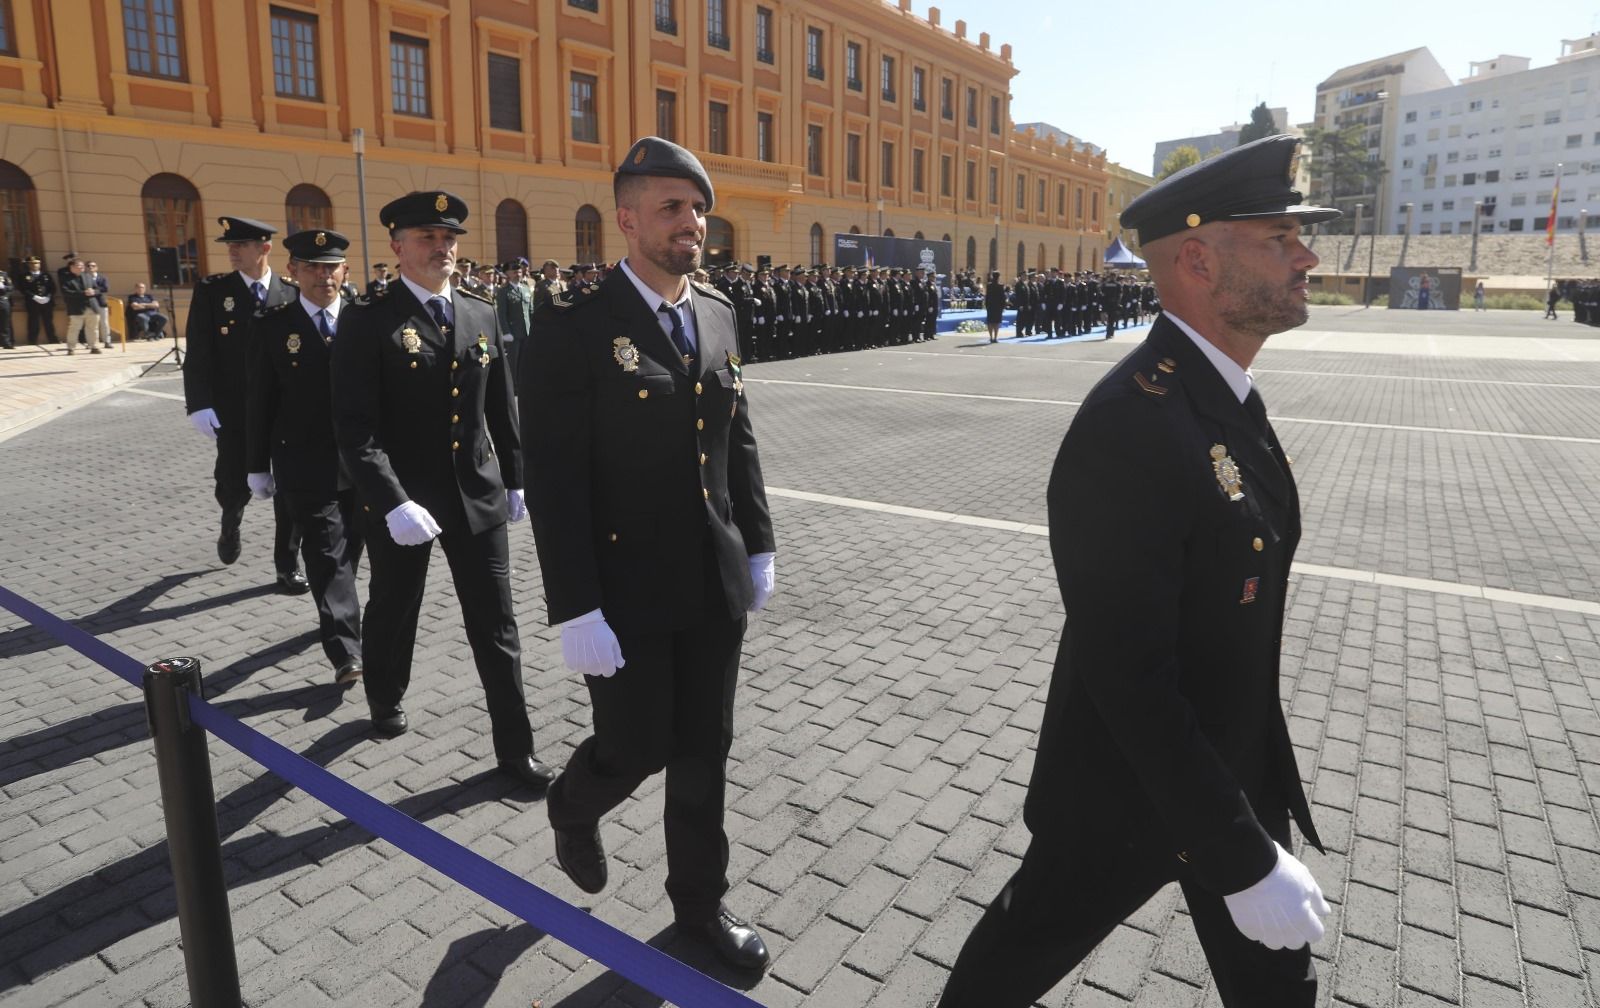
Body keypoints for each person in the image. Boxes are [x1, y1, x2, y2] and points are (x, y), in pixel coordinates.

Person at [939, 134, 1336, 1008]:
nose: (1308, 254)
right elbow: (1129, 677)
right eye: (1280, 238)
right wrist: (1238, 854)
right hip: (1125, 792)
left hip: (1228, 771)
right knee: (1004, 972)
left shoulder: (1221, 396)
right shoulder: (1132, 424)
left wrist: (1247, 813)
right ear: (1198, 259)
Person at [520, 136, 777, 973]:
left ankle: (700, 908)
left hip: (712, 575)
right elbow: (554, 478)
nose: (692, 223)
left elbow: (737, 439)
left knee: (706, 747)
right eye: (672, 208)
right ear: (627, 220)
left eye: (698, 208)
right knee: (634, 746)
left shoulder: (716, 311)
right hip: (624, 586)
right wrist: (574, 606)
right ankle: (572, 803)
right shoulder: (577, 330)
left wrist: (761, 544)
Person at [330, 190, 554, 789]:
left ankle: (516, 748)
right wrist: (391, 500)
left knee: (497, 623)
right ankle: (384, 694)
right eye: (427, 238)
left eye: (449, 238)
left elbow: (499, 405)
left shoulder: (480, 311)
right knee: (395, 607)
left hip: (476, 494)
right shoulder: (369, 318)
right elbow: (354, 426)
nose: (442, 248)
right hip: (406, 500)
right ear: (398, 247)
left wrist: (514, 477)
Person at [246, 229, 366, 686]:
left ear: (345, 271)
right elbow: (259, 400)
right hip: (303, 462)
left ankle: (339, 613)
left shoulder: (363, 320)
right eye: (312, 266)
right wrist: (256, 464)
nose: (323, 275)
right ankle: (345, 651)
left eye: (331, 266)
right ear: (293, 271)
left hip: (361, 461)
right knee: (324, 552)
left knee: (350, 550)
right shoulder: (272, 325)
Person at [182, 216, 308, 594]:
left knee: (290, 488)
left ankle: (288, 565)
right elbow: (199, 350)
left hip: (283, 411)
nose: (232, 252)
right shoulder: (213, 291)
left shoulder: (290, 292)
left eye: (241, 245)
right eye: (229, 246)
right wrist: (198, 403)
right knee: (233, 482)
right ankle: (231, 520)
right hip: (235, 411)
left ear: (265, 248)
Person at [59, 258, 102, 355]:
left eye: (83, 266)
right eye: (79, 266)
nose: (82, 268)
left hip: (92, 306)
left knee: (93, 328)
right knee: (74, 328)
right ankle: (71, 348)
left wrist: (94, 292)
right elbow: (66, 292)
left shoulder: (87, 276)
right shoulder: (66, 278)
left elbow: (98, 289)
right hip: (76, 307)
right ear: (72, 267)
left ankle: (94, 346)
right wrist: (83, 293)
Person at [19, 256, 57, 346]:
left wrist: (48, 297)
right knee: (33, 322)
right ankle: (32, 341)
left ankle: (53, 339)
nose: (35, 265)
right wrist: (34, 297)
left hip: (47, 302)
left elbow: (53, 288)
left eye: (37, 263)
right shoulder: (24, 276)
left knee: (48, 321)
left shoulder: (46, 275)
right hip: (32, 302)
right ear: (28, 264)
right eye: (32, 263)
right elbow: (23, 289)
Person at [85, 260, 112, 347]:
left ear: (96, 267)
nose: (91, 267)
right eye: (89, 266)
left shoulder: (102, 278)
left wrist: (94, 292)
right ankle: (92, 343)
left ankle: (107, 341)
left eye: (93, 266)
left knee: (104, 323)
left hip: (101, 302)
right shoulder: (84, 278)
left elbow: (105, 288)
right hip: (90, 304)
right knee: (91, 324)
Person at [983, 270, 1006, 344]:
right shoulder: (1001, 286)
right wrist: (1003, 306)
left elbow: (987, 297)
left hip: (990, 305)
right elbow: (1003, 297)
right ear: (999, 277)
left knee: (990, 322)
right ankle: (995, 337)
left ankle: (990, 337)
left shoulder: (988, 285)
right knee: (996, 322)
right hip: (998, 306)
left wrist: (986, 305)